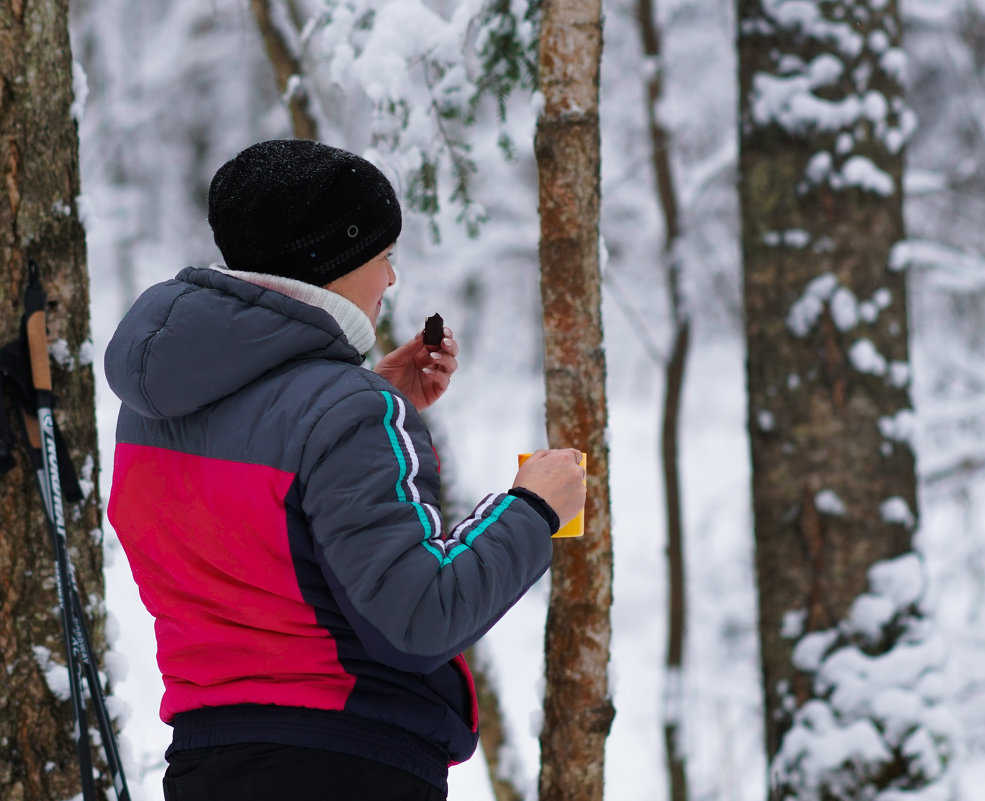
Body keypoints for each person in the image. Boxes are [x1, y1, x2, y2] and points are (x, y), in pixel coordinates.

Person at [104, 138, 586, 801]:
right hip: (344, 762)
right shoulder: (348, 413)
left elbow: (249, 525)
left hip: (203, 763)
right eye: (383, 257)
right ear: (328, 263)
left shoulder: (153, 406)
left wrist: (357, 394)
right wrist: (533, 508)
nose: (391, 280)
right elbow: (419, 618)